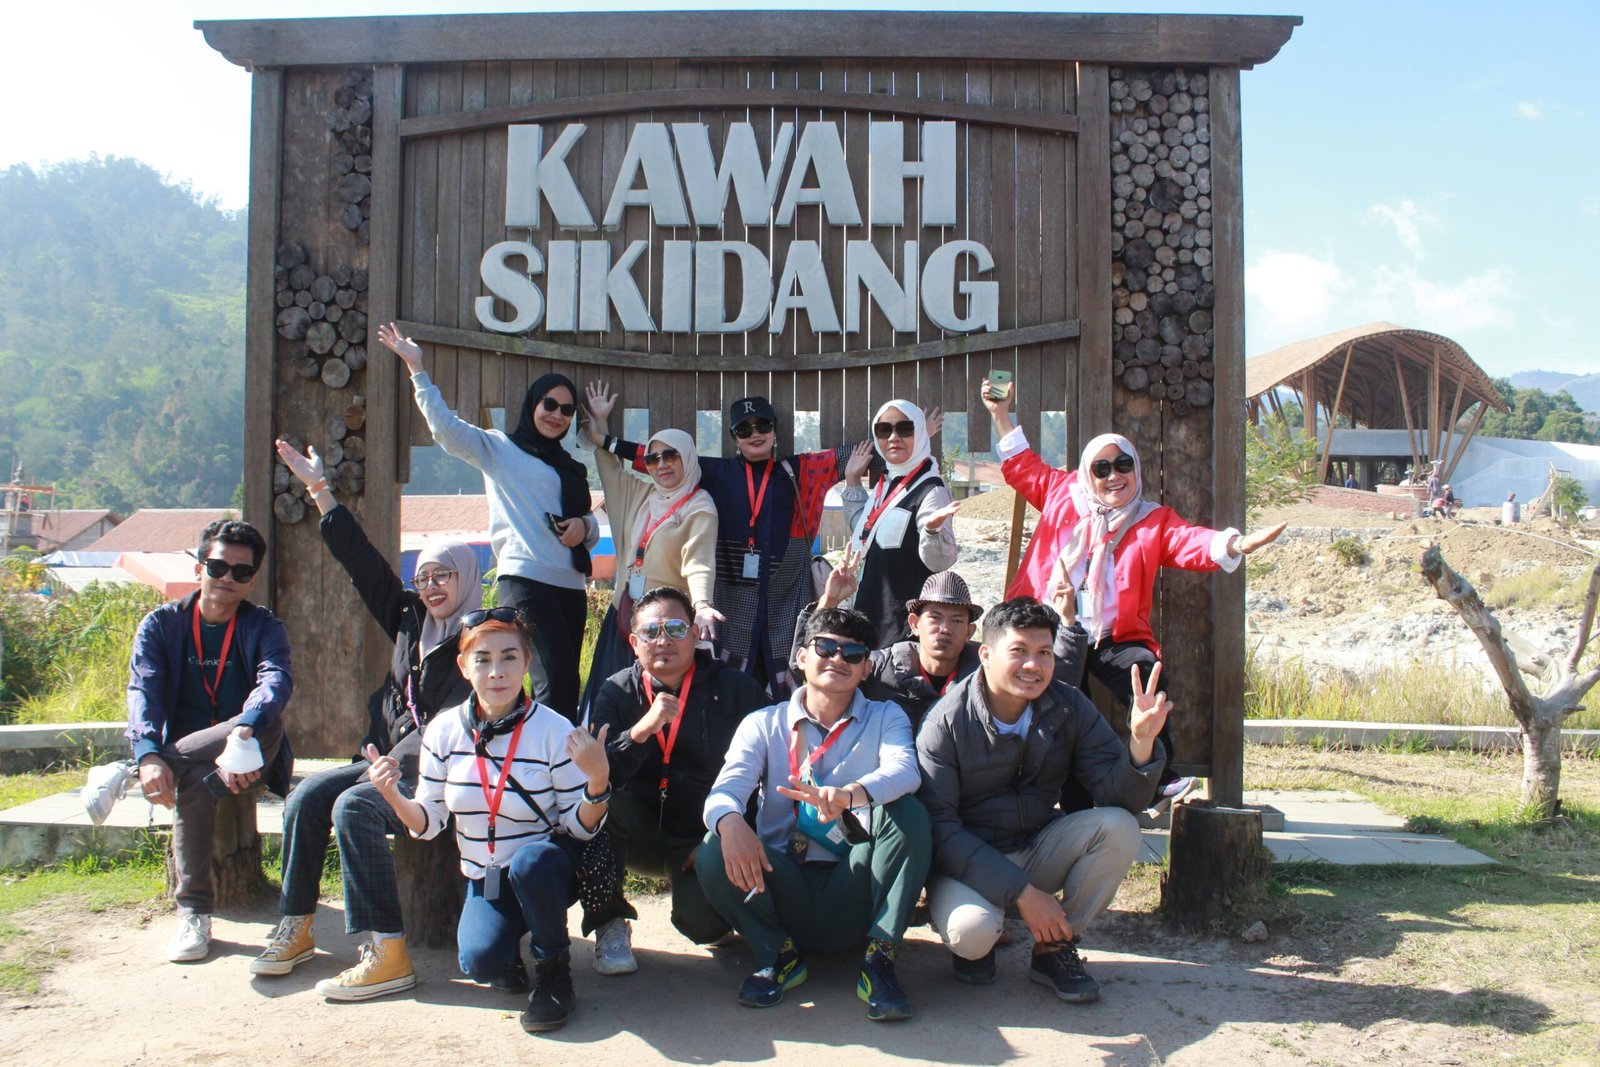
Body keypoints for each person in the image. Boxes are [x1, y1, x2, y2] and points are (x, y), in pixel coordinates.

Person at [981, 378, 1283, 806]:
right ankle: (1069, 800)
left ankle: (1160, 776)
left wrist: (1233, 544)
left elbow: (1189, 541)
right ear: (1087, 474)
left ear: (1135, 469)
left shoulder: (1150, 518)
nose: (1113, 476)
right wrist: (1000, 414)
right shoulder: (1060, 494)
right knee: (1066, 709)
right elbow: (1021, 464)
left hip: (1114, 634)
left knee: (1146, 675)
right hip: (1051, 628)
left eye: (1123, 465)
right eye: (1101, 469)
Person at [251, 439, 479, 999]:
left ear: (467, 576)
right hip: (382, 759)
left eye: (443, 575)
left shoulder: (484, 637)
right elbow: (362, 563)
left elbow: (472, 717)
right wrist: (319, 490)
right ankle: (297, 923)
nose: (431, 587)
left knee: (354, 807)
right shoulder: (407, 619)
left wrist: (397, 764)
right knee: (306, 798)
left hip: (435, 771)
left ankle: (388, 951)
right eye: (424, 577)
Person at [366, 608, 613, 1034]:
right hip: (486, 873)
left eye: (509, 657)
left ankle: (555, 970)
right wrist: (392, 795)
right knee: (480, 960)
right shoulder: (443, 732)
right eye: (482, 659)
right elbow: (428, 822)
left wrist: (598, 778)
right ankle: (510, 942)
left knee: (531, 864)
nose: (496, 672)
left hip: (547, 868)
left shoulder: (555, 730)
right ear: (463, 666)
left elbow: (580, 827)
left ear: (527, 661)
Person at [917, 597, 1169, 1003]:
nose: (1033, 666)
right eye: (1018, 651)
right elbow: (941, 831)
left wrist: (1140, 744)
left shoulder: (1067, 705)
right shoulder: (946, 722)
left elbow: (1117, 798)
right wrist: (1022, 893)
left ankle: (1054, 948)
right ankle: (979, 943)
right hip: (965, 861)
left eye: (1044, 653)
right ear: (985, 653)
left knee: (1119, 827)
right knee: (972, 934)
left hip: (1036, 845)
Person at [695, 606, 932, 1021]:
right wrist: (730, 821)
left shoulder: (885, 715)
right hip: (782, 882)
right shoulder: (763, 724)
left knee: (909, 814)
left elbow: (904, 771)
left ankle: (879, 959)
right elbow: (725, 791)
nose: (838, 659)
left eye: (853, 654)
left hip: (855, 880)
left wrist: (851, 795)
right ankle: (777, 955)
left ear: (866, 669)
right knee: (716, 844)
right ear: (802, 657)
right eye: (826, 647)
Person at [84, 519, 292, 962]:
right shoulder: (161, 625)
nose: (227, 579)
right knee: (197, 786)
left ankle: (126, 774)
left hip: (250, 750)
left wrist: (240, 729)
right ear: (199, 565)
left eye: (241, 572)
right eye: (218, 567)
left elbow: (275, 680)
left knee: (264, 719)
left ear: (252, 578)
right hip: (199, 762)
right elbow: (145, 691)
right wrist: (147, 748)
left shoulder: (263, 626)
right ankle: (194, 914)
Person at [377, 322, 598, 720]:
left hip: (571, 585)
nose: (557, 415)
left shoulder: (572, 469)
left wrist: (585, 528)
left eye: (567, 410)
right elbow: (446, 431)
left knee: (566, 682)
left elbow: (587, 525)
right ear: (533, 404)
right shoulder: (500, 448)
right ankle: (542, 769)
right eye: (550, 404)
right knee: (553, 682)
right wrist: (417, 370)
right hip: (527, 579)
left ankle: (548, 766)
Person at [588, 586, 770, 948]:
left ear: (696, 633)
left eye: (675, 629)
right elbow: (598, 772)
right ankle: (609, 923)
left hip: (701, 838)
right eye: (651, 633)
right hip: (642, 836)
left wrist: (720, 841)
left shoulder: (734, 688)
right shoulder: (617, 691)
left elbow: (768, 768)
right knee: (601, 808)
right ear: (634, 642)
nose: (663, 640)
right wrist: (641, 732)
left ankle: (709, 894)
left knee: (703, 927)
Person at [579, 381, 718, 714]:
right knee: (612, 706)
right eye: (653, 459)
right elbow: (609, 468)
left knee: (658, 707)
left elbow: (698, 561)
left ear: (687, 457)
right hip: (626, 617)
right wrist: (600, 425)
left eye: (671, 456)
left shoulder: (699, 507)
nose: (662, 465)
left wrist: (702, 604)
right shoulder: (643, 495)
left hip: (666, 628)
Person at [795, 559, 983, 733]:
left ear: (970, 631)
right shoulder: (879, 667)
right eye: (935, 618)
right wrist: (829, 601)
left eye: (957, 621)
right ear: (914, 624)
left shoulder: (985, 677)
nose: (945, 629)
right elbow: (804, 666)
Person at [842, 399, 960, 647]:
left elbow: (940, 561)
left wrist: (932, 530)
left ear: (920, 436)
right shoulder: (886, 484)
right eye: (884, 430)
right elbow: (867, 532)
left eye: (905, 429)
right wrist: (852, 481)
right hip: (870, 623)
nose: (893, 437)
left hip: (902, 635)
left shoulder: (931, 490)